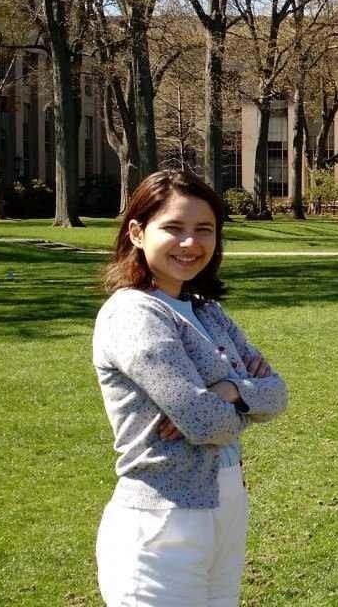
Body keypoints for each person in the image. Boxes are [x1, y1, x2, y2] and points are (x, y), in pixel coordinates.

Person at [92, 170, 288, 606]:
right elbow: (205, 423)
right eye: (173, 228)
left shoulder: (206, 310)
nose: (190, 243)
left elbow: (276, 396)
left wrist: (229, 392)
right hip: (163, 523)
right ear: (138, 233)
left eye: (204, 230)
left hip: (226, 510)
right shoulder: (134, 314)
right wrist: (237, 392)